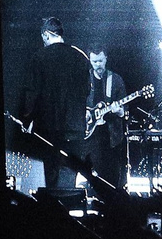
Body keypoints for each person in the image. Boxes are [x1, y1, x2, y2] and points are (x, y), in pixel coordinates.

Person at [12, 15, 95, 191]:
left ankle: (53, 215)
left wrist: (26, 120)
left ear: (46, 35)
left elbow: (31, 93)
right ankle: (68, 213)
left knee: (49, 176)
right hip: (75, 130)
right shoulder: (81, 57)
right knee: (69, 178)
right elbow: (88, 91)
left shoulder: (39, 57)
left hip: (47, 130)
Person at [83, 48, 132, 179]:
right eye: (94, 61)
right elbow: (75, 103)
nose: (98, 64)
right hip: (89, 138)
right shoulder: (84, 79)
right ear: (90, 60)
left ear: (106, 59)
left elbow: (125, 112)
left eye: (100, 61)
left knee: (112, 176)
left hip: (112, 138)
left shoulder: (115, 80)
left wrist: (120, 111)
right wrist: (85, 113)